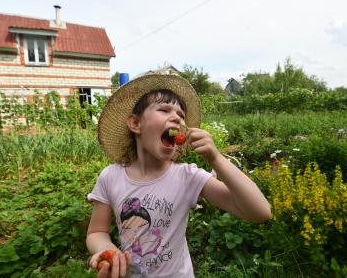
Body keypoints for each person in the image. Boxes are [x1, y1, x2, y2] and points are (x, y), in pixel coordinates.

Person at [86, 74, 272, 278]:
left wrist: (216, 158)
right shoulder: (111, 177)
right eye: (164, 110)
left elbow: (260, 211)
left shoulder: (188, 176)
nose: (177, 118)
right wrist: (106, 250)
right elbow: (96, 232)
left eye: (181, 115)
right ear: (135, 123)